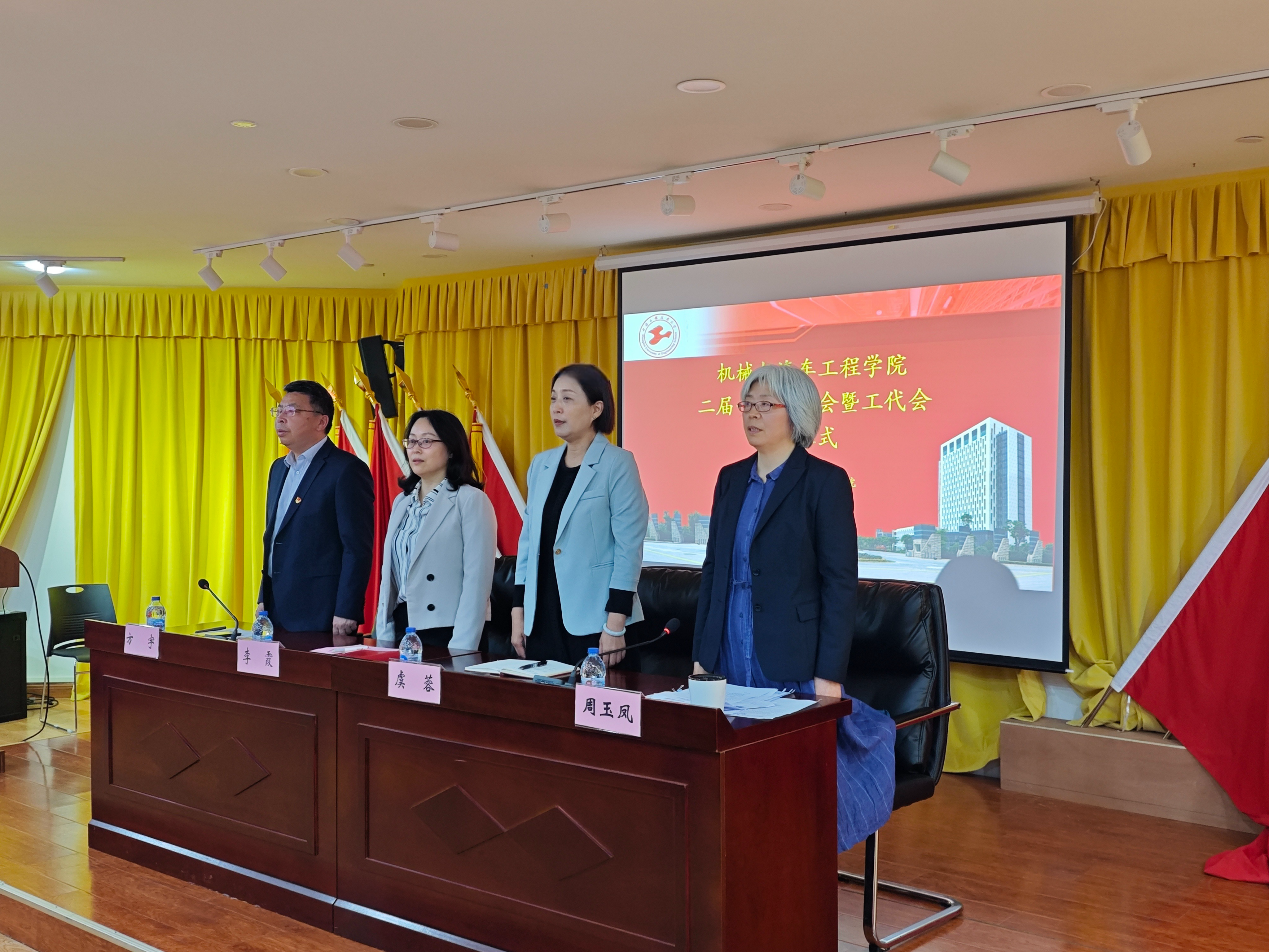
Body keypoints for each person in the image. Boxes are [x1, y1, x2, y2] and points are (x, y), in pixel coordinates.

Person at [692, 364, 896, 851]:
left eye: (766, 404)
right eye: (747, 404)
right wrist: (702, 655)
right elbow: (714, 569)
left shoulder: (825, 481)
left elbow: (839, 583)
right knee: (734, 765)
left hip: (792, 653)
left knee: (792, 776)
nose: (752, 414)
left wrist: (828, 674)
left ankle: (792, 865)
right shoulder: (730, 479)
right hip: (729, 643)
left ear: (796, 412)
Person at [511, 364, 649, 666]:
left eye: (567, 399)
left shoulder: (617, 463)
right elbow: (528, 544)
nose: (556, 408)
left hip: (596, 622)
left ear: (596, 409)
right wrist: (518, 612)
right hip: (541, 618)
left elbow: (628, 549)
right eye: (553, 398)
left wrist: (615, 625)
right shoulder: (541, 465)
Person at [258, 379, 374, 650]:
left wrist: (347, 608)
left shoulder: (346, 469)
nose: (280, 418)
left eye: (292, 410)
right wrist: (264, 596)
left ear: (321, 421)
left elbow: (357, 547)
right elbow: (273, 538)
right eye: (279, 410)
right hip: (276, 609)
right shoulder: (278, 468)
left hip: (323, 612)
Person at [374, 409, 497, 652]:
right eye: (411, 441)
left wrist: (462, 648)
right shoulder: (402, 502)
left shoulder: (470, 500)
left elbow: (477, 583)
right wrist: (384, 632)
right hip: (402, 624)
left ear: (451, 449)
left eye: (426, 441)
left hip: (448, 629)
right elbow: (390, 578)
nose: (416, 449)